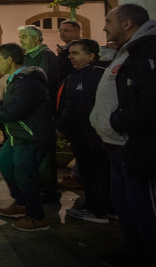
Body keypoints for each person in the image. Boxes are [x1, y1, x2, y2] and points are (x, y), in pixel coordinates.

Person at [0, 43, 56, 232]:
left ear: (10, 60)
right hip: (18, 135)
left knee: (24, 174)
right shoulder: (16, 79)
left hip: (31, 135)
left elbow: (13, 111)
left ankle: (37, 217)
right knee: (5, 163)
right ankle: (21, 202)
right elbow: (6, 105)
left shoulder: (27, 82)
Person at [90, 4, 156, 265]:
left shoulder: (146, 51)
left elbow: (149, 101)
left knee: (145, 211)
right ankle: (134, 253)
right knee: (127, 208)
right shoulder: (127, 50)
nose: (105, 27)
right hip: (115, 145)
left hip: (135, 145)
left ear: (127, 23)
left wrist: (119, 121)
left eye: (109, 21)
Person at [56, 38, 111, 224]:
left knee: (92, 172)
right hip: (94, 133)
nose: (70, 57)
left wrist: (61, 128)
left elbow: (76, 107)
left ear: (91, 56)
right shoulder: (95, 72)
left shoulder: (87, 76)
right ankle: (107, 208)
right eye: (70, 53)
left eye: (76, 53)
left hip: (86, 134)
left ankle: (95, 210)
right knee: (99, 171)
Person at [17, 24, 60, 202]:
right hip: (27, 113)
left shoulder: (45, 55)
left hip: (39, 112)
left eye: (25, 37)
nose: (21, 41)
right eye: (21, 37)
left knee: (43, 156)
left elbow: (42, 81)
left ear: (36, 38)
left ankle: (48, 193)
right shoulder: (28, 56)